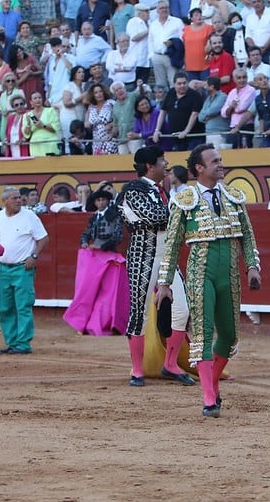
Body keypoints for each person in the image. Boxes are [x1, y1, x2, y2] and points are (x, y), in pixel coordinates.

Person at [155, 144, 261, 417]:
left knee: (229, 335)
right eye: (215, 161)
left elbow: (247, 236)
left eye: (220, 160)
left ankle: (212, 382)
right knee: (202, 332)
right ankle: (209, 397)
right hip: (200, 272)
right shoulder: (184, 199)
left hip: (229, 273)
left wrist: (252, 266)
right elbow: (173, 244)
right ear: (199, 168)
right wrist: (165, 283)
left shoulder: (234, 197)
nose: (221, 164)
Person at [117, 146, 194, 387]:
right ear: (150, 166)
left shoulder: (162, 191)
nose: (167, 164)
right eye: (162, 160)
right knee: (139, 313)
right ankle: (137, 370)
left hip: (167, 257)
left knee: (182, 310)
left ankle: (170, 364)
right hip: (143, 256)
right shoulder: (132, 190)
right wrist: (181, 211)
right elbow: (155, 216)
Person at [0, 186, 49, 354]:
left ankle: (23, 343)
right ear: (4, 201)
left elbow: (44, 238)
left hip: (23, 267)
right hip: (4, 269)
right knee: (5, 307)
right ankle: (12, 342)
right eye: (14, 198)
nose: (19, 200)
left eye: (19, 197)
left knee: (22, 306)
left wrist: (34, 256)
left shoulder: (29, 216)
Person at [63, 189, 129, 336]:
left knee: (108, 293)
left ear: (107, 201)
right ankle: (84, 323)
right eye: (98, 200)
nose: (100, 203)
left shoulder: (114, 216)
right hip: (95, 258)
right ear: (95, 202)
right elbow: (86, 233)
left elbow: (117, 237)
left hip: (110, 259)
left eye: (103, 200)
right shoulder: (93, 217)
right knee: (89, 290)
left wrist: (101, 246)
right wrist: (85, 242)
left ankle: (109, 323)